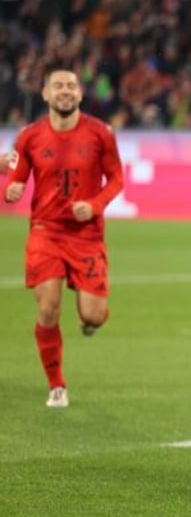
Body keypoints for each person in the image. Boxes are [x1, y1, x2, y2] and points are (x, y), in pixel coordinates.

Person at [3, 66, 124, 408]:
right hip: (45, 232)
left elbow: (116, 179)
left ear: (80, 94)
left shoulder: (101, 134)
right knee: (48, 307)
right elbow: (18, 176)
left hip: (86, 236)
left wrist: (96, 203)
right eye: (58, 86)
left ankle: (90, 320)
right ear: (45, 94)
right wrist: (13, 187)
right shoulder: (30, 136)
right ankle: (57, 385)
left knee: (93, 314)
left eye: (71, 85)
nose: (65, 91)